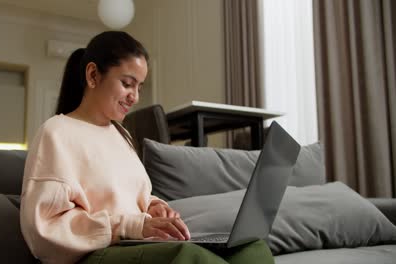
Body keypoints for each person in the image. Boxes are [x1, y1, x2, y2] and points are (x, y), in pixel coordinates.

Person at [20, 31, 273, 264]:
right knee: (188, 256)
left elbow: (128, 196)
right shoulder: (57, 133)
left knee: (252, 249)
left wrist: (153, 206)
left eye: (139, 87)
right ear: (93, 75)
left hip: (134, 244)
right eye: (127, 84)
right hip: (94, 254)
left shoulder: (122, 136)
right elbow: (45, 230)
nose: (135, 97)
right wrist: (132, 226)